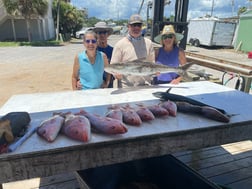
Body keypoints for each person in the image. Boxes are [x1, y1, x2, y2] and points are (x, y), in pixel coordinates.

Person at [110, 14, 155, 88]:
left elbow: (152, 64)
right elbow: (113, 66)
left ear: (141, 27)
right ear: (128, 26)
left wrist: (154, 73)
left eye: (139, 25)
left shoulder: (148, 43)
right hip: (126, 87)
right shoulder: (120, 44)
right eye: (133, 25)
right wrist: (116, 74)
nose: (136, 27)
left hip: (146, 86)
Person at [93, 21, 114, 88]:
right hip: (95, 82)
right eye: (99, 33)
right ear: (96, 34)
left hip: (109, 82)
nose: (102, 35)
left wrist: (107, 83)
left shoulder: (113, 51)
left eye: (104, 32)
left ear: (108, 34)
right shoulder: (92, 50)